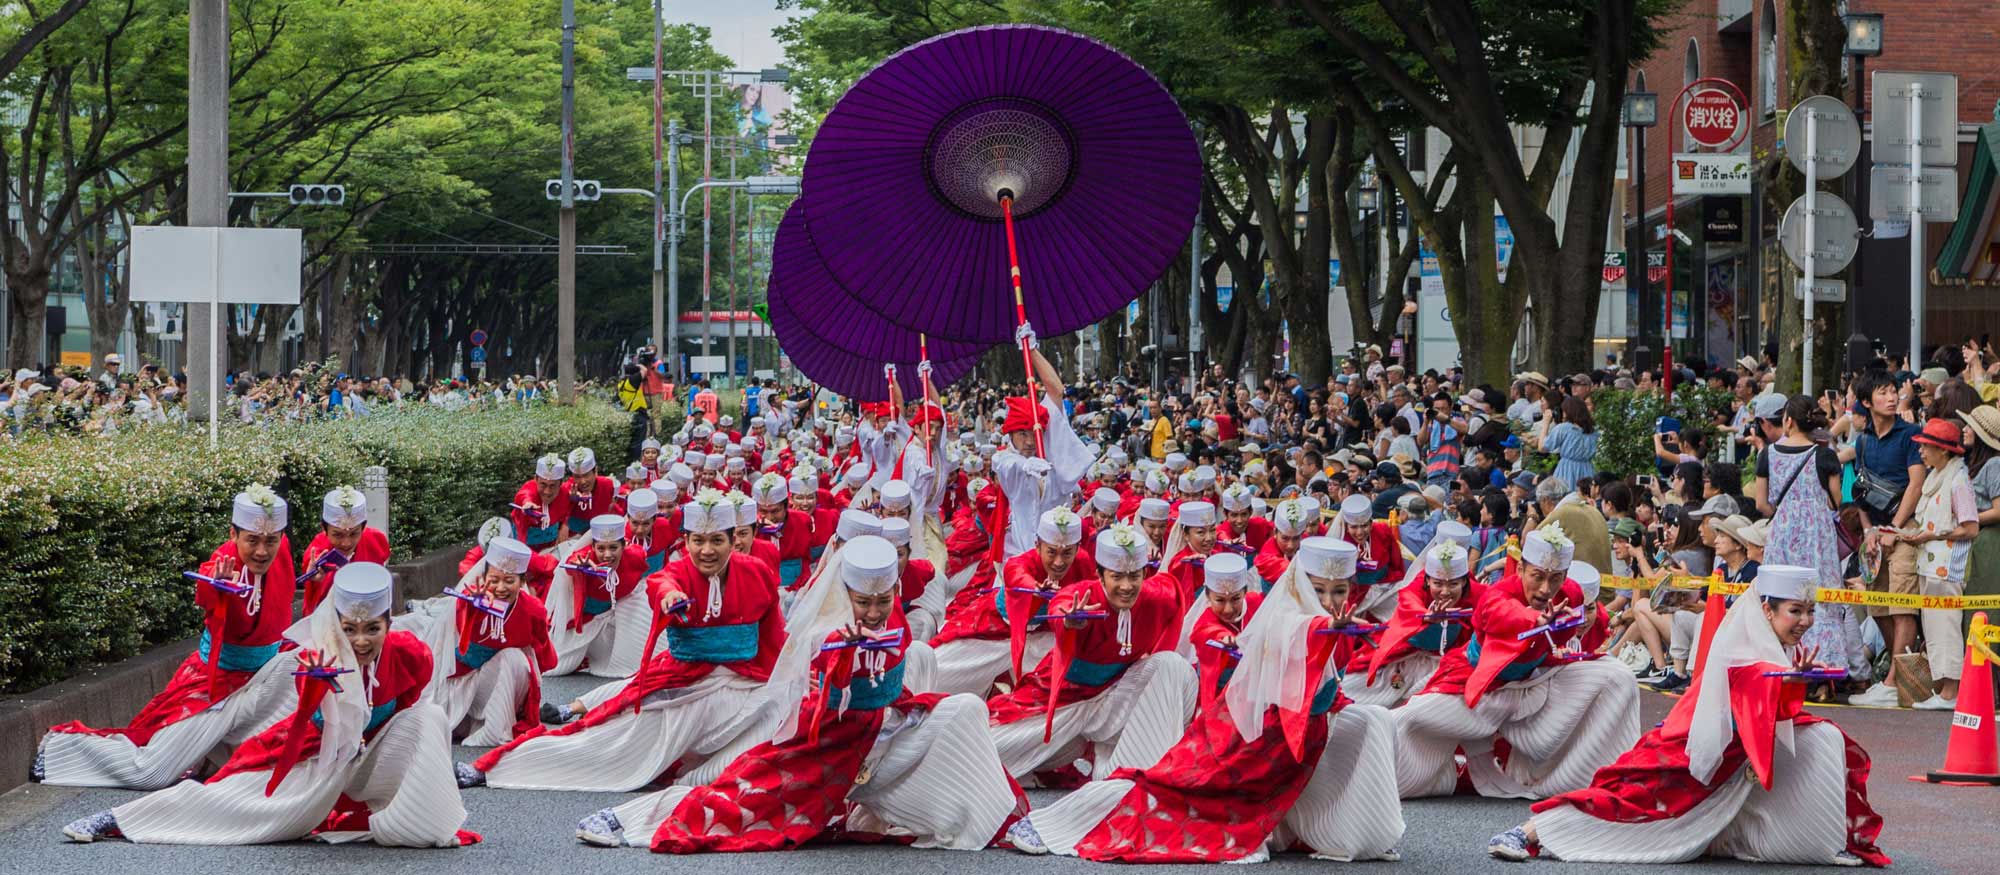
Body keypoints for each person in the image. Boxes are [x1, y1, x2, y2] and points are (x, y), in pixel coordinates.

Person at [574, 536, 1025, 852]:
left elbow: (894, 682)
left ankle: (997, 820)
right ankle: (630, 819)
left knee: (964, 709)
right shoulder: (825, 632)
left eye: (881, 602)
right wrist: (842, 659)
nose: (871, 611)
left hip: (884, 736)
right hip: (823, 744)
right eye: (862, 602)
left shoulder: (896, 620)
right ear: (844, 592)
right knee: (736, 800)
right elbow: (816, 698)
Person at [1005, 535, 1403, 863]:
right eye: (1318, 590)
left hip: (1283, 754)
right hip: (1237, 744)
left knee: (1373, 720)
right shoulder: (1292, 621)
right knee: (1160, 789)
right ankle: (1054, 822)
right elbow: (1293, 631)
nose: (1329, 601)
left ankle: (1355, 832)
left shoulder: (1296, 620)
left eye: (1339, 591)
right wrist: (1067, 619)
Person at [1488, 566, 1889, 867]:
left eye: (1809, 611)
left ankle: (1811, 840)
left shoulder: (1766, 642)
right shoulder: (1748, 648)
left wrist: (1792, 679)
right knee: (1629, 802)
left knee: (1823, 737)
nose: (1804, 621)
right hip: (1688, 748)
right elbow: (1753, 691)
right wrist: (1790, 679)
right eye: (1795, 611)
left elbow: (1770, 706)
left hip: (1727, 752)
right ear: (1767, 610)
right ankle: (1528, 832)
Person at [62, 563, 471, 848]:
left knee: (430, 716)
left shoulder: (412, 654)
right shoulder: (318, 656)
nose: (361, 641)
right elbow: (312, 727)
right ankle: (122, 819)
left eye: (372, 629)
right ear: (336, 626)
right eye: (350, 629)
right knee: (237, 803)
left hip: (368, 756)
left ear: (389, 624)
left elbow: (406, 714)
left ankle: (425, 822)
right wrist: (318, 692)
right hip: (315, 756)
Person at [459, 490, 787, 792]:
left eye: (717, 540)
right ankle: (497, 769)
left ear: (735, 539)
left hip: (743, 685)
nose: (707, 550)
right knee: (606, 737)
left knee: (778, 715)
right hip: (683, 683)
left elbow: (774, 642)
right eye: (698, 540)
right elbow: (661, 582)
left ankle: (704, 773)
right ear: (685, 541)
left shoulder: (758, 573)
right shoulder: (677, 573)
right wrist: (670, 597)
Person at [38, 485, 298, 790]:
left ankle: (212, 756)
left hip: (265, 680)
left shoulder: (281, 553)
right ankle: (61, 750)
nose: (262, 551)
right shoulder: (223, 561)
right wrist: (218, 585)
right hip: (217, 685)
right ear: (233, 534)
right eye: (252, 540)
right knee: (153, 771)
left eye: (271, 540)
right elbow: (206, 592)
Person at [1393, 524, 1641, 799]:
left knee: (1618, 677)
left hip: (1537, 681)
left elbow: (1591, 621)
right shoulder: (1495, 594)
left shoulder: (1570, 594)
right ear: (1521, 569)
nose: (1546, 589)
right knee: (1408, 717)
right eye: (1537, 576)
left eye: (1556, 578)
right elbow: (1499, 612)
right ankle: (1377, 772)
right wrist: (1532, 618)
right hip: (1483, 682)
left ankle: (1607, 779)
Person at [981, 524, 1195, 782]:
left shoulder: (1157, 597)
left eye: (1134, 576)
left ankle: (1154, 771)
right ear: (1100, 574)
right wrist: (1069, 622)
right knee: (986, 751)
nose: (1127, 587)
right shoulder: (1082, 595)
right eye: (1117, 577)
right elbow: (1062, 604)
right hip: (1065, 696)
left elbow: (1175, 584)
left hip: (1115, 694)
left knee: (1174, 667)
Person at [925, 508, 1095, 695]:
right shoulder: (1019, 562)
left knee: (1048, 693)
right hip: (998, 627)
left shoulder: (1083, 562)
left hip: (1045, 636)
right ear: (1038, 545)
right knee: (936, 673)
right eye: (1051, 552)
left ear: (1078, 548)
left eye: (1067, 553)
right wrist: (1035, 590)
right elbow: (1017, 575)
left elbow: (1091, 591)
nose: (1058, 562)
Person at [408, 536, 555, 746]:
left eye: (510, 580)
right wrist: (473, 607)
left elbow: (546, 658)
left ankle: (495, 728)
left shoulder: (533, 611)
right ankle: (467, 721)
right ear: (483, 577)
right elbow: (460, 630)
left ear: (522, 582)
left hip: (496, 680)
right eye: (494, 580)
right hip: (460, 681)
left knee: (516, 659)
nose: (501, 588)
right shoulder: (469, 602)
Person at [1895, 417, 1977, 710]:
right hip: (1930, 563)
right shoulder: (1937, 477)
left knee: (1946, 626)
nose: (1921, 452)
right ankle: (1944, 689)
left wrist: (1934, 534)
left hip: (1948, 565)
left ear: (1943, 451)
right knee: (1934, 627)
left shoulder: (1957, 481)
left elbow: (1970, 527)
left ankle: (1950, 692)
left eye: (1926, 447)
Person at [1347, 540, 1482, 708]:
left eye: (1453, 584)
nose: (1445, 592)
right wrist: (1426, 617)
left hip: (1445, 664)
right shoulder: (1418, 586)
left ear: (1463, 582)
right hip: (1403, 656)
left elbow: (1500, 605)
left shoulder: (1478, 595)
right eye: (1438, 584)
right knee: (1352, 689)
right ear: (1427, 581)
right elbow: (1408, 601)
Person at [544, 514, 652, 678]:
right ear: (593, 547)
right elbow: (573, 561)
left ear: (624, 545)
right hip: (585, 618)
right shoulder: (584, 558)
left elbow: (643, 573)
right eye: (601, 548)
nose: (607, 555)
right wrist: (578, 566)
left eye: (613, 548)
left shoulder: (635, 556)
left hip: (617, 612)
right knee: (558, 667)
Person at [300, 485, 391, 613]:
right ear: (324, 528)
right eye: (337, 535)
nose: (346, 543)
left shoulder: (375, 541)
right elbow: (311, 581)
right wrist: (314, 578)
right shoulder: (318, 550)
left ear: (363, 527)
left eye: (354, 534)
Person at [512, 453, 571, 552]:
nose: (547, 491)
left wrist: (564, 526)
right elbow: (524, 495)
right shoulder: (529, 488)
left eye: (552, 486)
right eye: (543, 484)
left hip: (551, 547)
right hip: (523, 547)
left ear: (561, 483)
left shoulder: (565, 493)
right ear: (536, 479)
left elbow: (566, 513)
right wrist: (527, 503)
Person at [562, 447, 618, 539]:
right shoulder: (567, 489)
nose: (583, 481)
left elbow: (612, 508)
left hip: (602, 533)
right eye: (577, 477)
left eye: (586, 475)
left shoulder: (607, 485)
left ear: (595, 471)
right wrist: (570, 501)